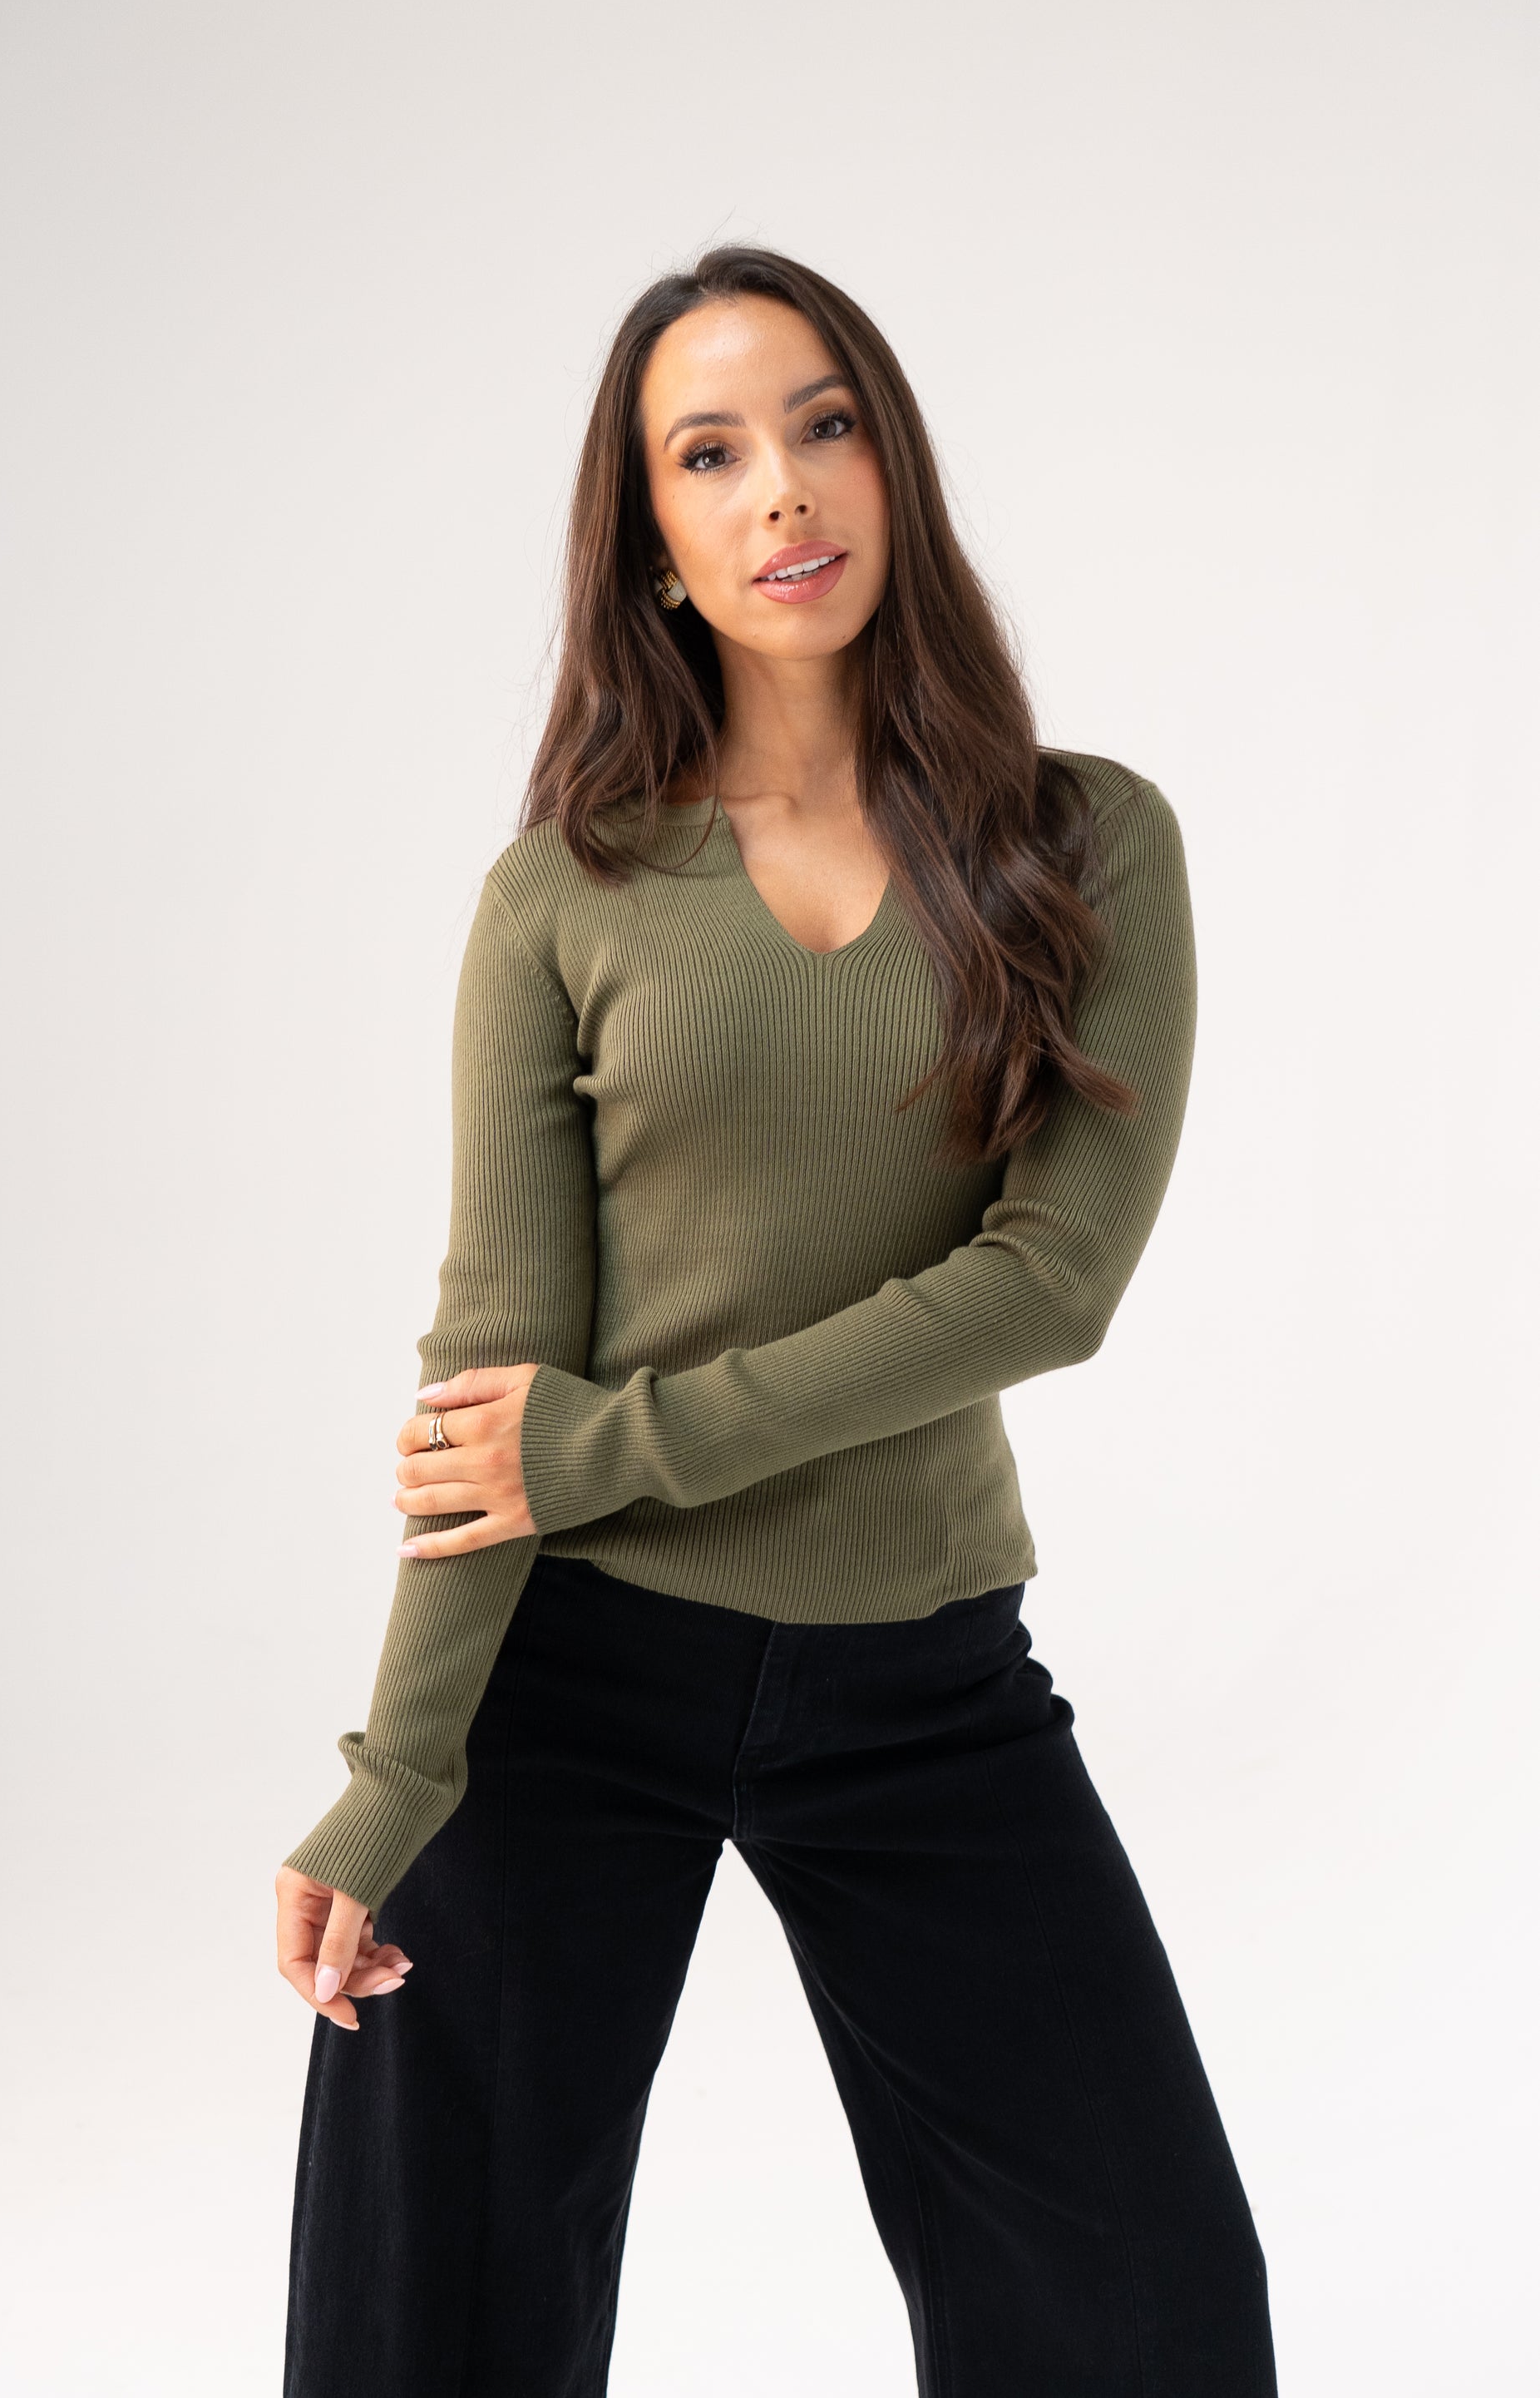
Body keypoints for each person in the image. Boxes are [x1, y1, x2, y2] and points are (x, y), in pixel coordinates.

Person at [274, 243, 1278, 2397]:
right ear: (652, 537)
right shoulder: (564, 894)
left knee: (1143, 2305)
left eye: (822, 426)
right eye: (708, 453)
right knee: (419, 2319)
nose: (781, 490)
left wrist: (617, 1446)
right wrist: (396, 1774)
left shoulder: (1087, 844)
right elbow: (493, 1361)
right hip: (564, 1674)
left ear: (891, 464)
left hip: (920, 1672)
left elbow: (1052, 1283)